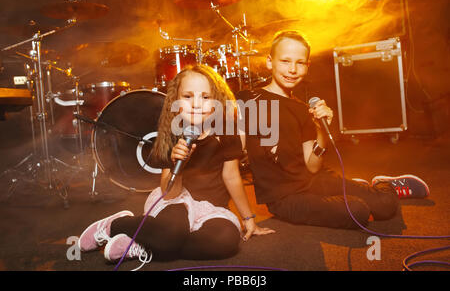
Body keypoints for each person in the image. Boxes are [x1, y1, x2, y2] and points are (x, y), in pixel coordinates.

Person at [77, 64, 274, 268]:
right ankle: (117, 225)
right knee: (172, 232)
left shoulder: (226, 131)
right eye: (188, 96)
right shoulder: (172, 134)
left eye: (205, 97)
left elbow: (231, 177)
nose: (196, 104)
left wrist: (248, 219)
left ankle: (147, 244)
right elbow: (169, 194)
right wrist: (178, 165)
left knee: (226, 242)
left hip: (213, 209)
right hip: (177, 202)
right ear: (176, 102)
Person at [236, 30, 430, 230]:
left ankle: (384, 185)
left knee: (385, 206)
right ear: (270, 62)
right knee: (358, 211)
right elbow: (231, 158)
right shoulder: (248, 99)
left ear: (307, 66)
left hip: (315, 180)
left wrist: (320, 129)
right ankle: (359, 190)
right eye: (285, 61)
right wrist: (247, 217)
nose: (292, 69)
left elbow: (312, 167)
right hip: (285, 198)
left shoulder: (304, 109)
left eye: (300, 63)